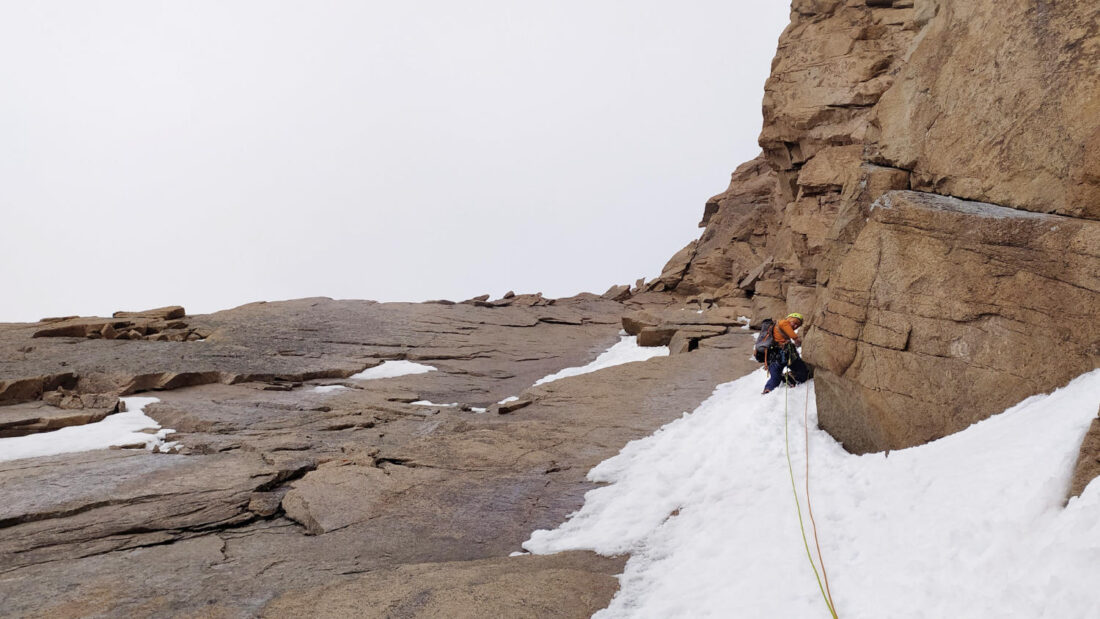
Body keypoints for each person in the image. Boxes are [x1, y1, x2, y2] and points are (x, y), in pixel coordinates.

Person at [762, 312, 810, 394]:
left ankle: (768, 389)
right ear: (789, 318)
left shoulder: (775, 327)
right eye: (794, 322)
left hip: (773, 356)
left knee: (775, 377)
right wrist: (797, 340)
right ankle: (790, 377)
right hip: (786, 355)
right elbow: (792, 334)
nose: (795, 326)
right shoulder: (783, 322)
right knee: (802, 371)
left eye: (797, 325)